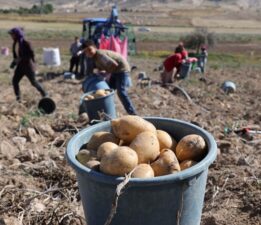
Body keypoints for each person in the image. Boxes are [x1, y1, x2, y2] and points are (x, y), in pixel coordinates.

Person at [82, 40, 136, 115]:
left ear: (94, 48)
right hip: (115, 71)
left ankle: (133, 113)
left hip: (121, 70)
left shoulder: (100, 55)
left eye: (90, 50)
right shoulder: (94, 58)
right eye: (86, 52)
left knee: (121, 92)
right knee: (108, 90)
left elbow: (114, 65)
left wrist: (105, 73)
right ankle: (108, 110)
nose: (88, 52)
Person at [8, 27, 47, 102]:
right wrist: (14, 62)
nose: (11, 36)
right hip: (20, 67)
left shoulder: (26, 43)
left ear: (17, 35)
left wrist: (21, 58)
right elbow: (16, 55)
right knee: (15, 81)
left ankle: (45, 94)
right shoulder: (15, 43)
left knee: (33, 82)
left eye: (12, 34)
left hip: (28, 66)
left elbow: (31, 55)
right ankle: (18, 99)